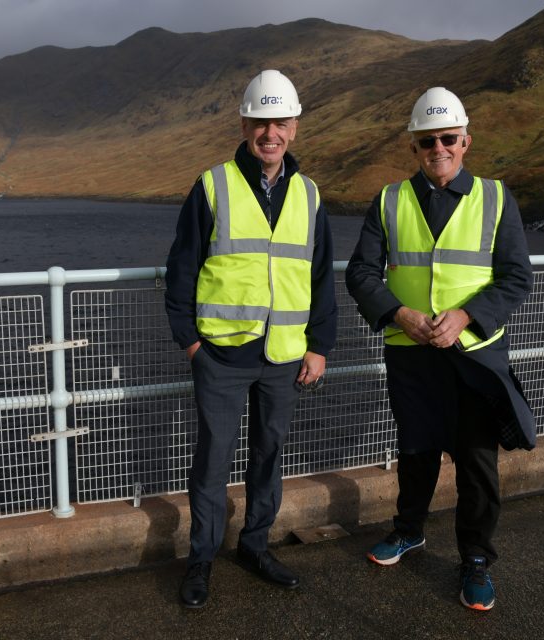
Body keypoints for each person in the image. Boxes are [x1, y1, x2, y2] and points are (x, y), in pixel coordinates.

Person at [345, 86, 535, 612]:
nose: (438, 148)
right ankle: (409, 531)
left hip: (475, 353)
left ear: (466, 141)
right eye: (427, 141)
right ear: (414, 146)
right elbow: (361, 272)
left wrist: (466, 316)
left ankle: (475, 558)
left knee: (476, 460)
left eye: (448, 138)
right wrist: (400, 314)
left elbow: (516, 276)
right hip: (411, 351)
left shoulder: (496, 198)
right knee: (416, 448)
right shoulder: (388, 200)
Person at [164, 69, 337, 608]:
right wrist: (191, 342)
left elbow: (321, 275)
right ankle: (201, 560)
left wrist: (319, 345)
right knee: (213, 460)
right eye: (261, 122)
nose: (271, 133)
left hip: (284, 356)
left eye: (281, 122)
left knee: (269, 454)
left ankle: (254, 545)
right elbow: (182, 270)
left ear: (295, 128)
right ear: (244, 124)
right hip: (220, 354)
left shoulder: (308, 195)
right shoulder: (213, 184)